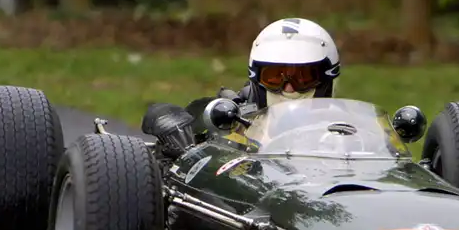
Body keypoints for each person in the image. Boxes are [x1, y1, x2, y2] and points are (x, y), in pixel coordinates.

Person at [142, 17, 341, 158]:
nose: (288, 88)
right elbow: (165, 116)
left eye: (303, 77)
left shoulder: (352, 132)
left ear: (327, 79)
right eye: (274, 77)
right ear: (256, 79)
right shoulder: (231, 122)